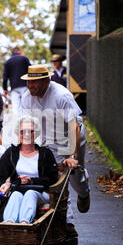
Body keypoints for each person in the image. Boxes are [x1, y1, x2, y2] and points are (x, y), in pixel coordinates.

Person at [20, 64, 90, 217]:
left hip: (70, 137)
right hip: (49, 142)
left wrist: (73, 156)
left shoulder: (61, 95)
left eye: (34, 82)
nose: (30, 86)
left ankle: (84, 193)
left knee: (75, 177)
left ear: (46, 81)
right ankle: (66, 220)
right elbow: (28, 124)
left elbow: (74, 127)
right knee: (57, 181)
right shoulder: (27, 97)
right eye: (28, 82)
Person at [0, 116, 58, 224]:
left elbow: (53, 178)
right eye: (23, 132)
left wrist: (32, 181)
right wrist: (9, 183)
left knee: (30, 193)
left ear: (36, 133)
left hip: (40, 192)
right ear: (19, 133)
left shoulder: (45, 153)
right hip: (16, 190)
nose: (27, 135)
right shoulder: (11, 153)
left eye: (30, 131)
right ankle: (9, 223)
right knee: (16, 195)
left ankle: (24, 224)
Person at [2, 46, 31, 115]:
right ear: (19, 52)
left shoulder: (8, 62)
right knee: (26, 107)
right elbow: (31, 71)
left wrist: (5, 89)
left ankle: (18, 124)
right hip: (25, 86)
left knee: (16, 108)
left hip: (14, 87)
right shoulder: (24, 59)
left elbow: (5, 77)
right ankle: (26, 123)